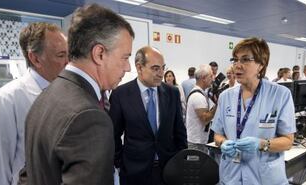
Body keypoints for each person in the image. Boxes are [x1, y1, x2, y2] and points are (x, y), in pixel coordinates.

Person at [22, 4, 134, 185]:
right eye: (125, 57)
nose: (128, 67)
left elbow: (28, 175)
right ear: (99, 54)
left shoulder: (45, 96)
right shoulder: (89, 117)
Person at [0, 22, 68, 185]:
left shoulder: (65, 92)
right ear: (35, 58)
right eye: (60, 55)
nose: (68, 62)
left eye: (68, 55)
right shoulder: (8, 98)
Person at [211, 37, 296, 184]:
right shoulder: (226, 96)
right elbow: (217, 134)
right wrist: (223, 142)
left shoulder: (280, 95)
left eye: (245, 60)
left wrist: (262, 144)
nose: (237, 66)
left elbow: (288, 142)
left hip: (264, 178)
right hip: (231, 176)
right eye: (235, 60)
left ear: (261, 65)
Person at [109, 46, 187, 185]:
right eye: (155, 68)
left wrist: (179, 160)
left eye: (163, 68)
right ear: (139, 68)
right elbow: (113, 135)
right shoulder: (120, 95)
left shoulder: (172, 93)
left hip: (167, 170)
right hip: (134, 172)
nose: (161, 73)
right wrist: (120, 162)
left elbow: (179, 131)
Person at [186, 64, 217, 153]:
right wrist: (218, 105)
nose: (213, 79)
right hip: (196, 142)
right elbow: (205, 119)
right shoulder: (197, 96)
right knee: (195, 167)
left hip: (199, 140)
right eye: (211, 76)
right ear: (203, 78)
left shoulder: (201, 93)